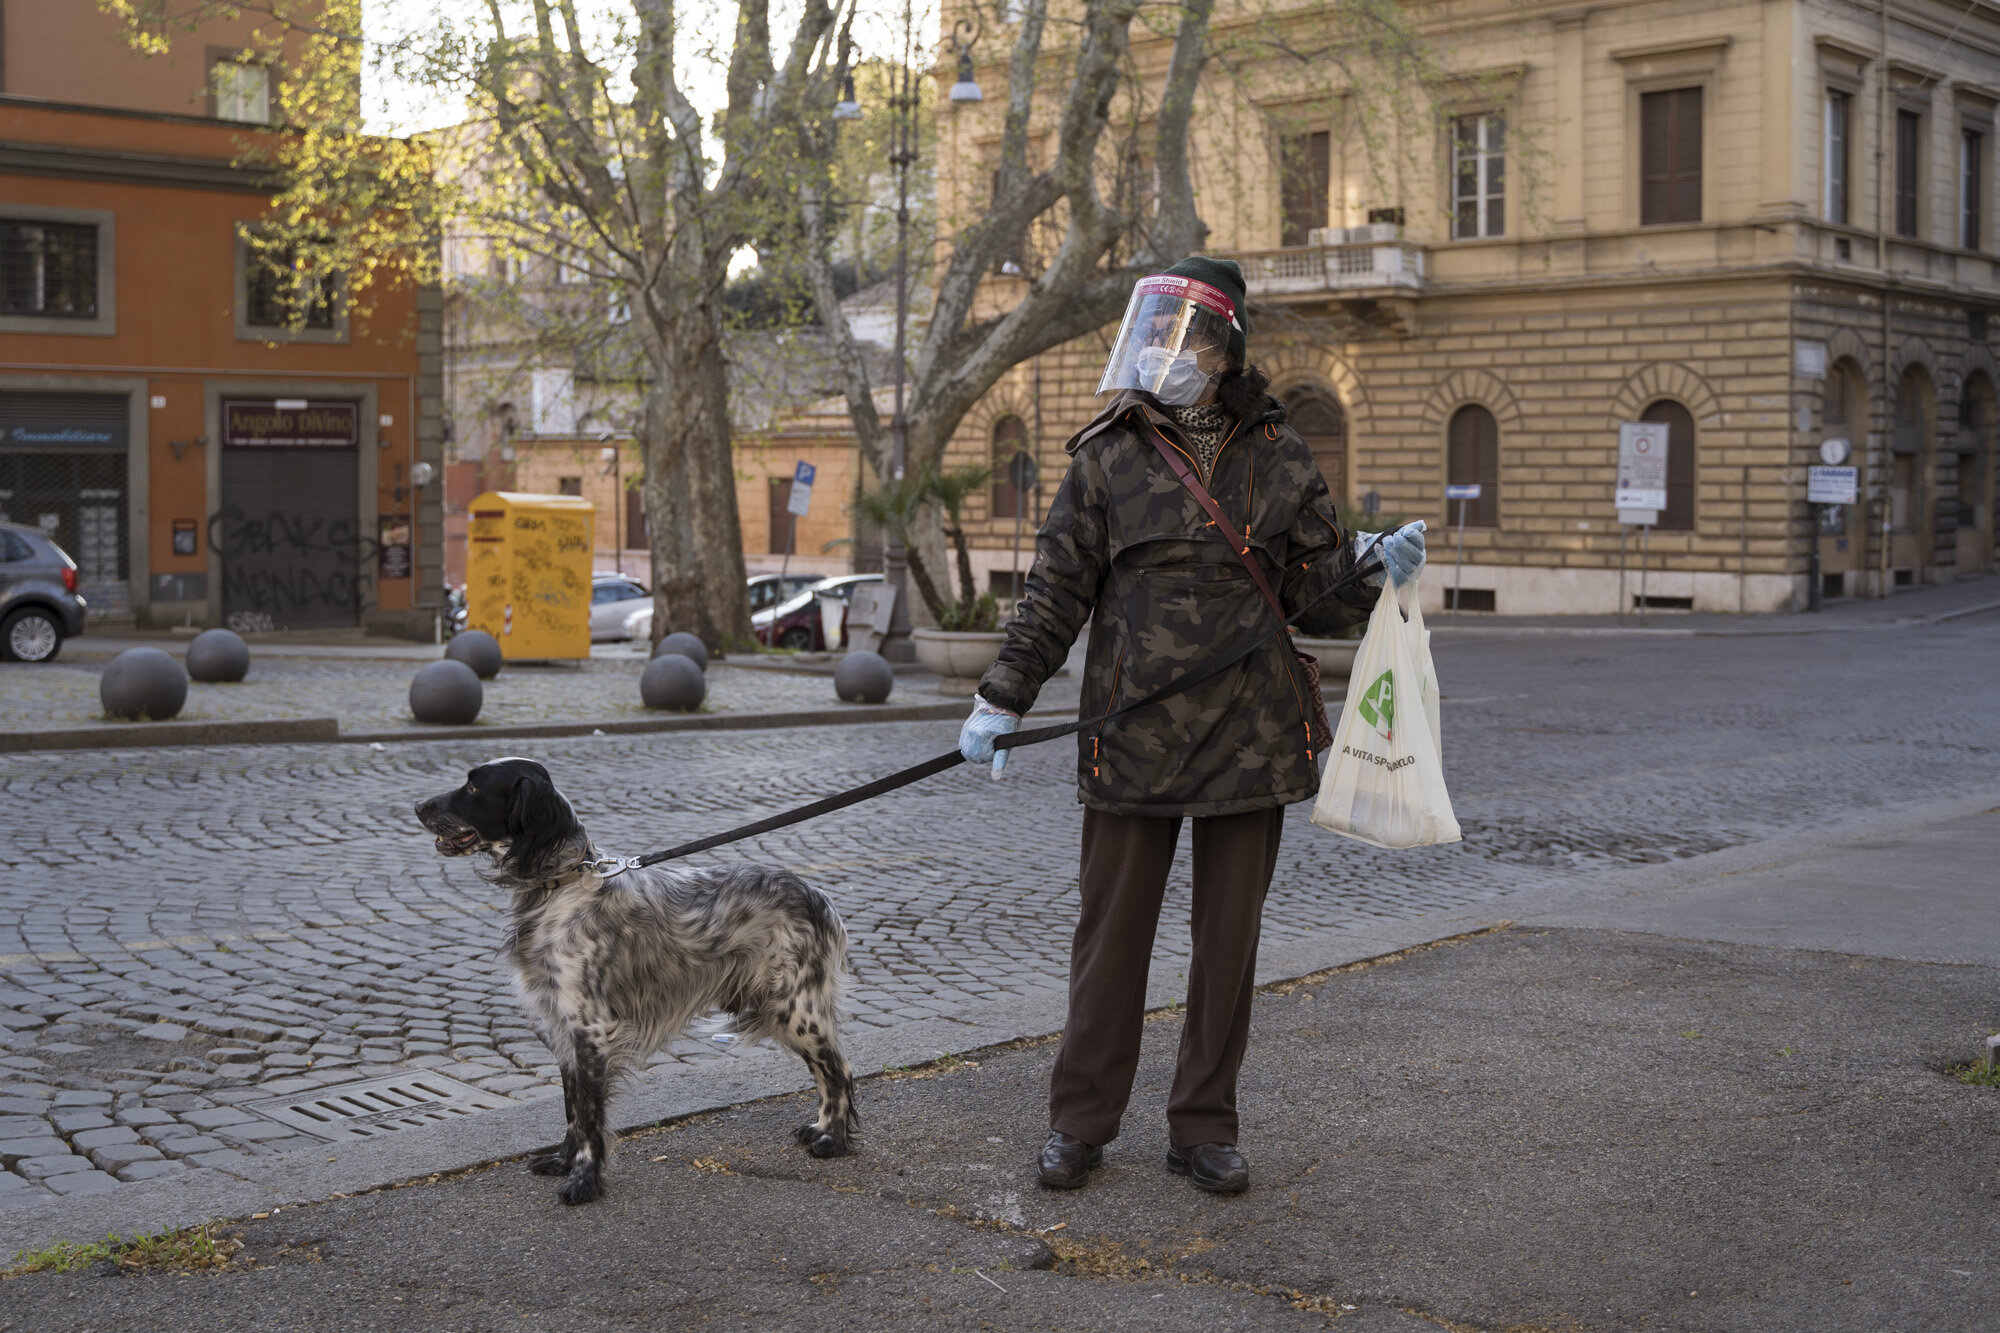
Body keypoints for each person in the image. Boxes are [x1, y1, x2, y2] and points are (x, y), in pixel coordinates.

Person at [958, 256, 1427, 1195]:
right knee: (1111, 940)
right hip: (1132, 736)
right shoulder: (1108, 453)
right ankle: (1081, 1122)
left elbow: (1313, 594)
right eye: (1156, 330)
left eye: (1187, 334)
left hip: (1251, 740)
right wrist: (1002, 695)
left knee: (1227, 948)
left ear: (1224, 348)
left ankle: (1203, 1126)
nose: (1165, 350)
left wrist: (1373, 564)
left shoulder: (1281, 455)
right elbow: (1055, 591)